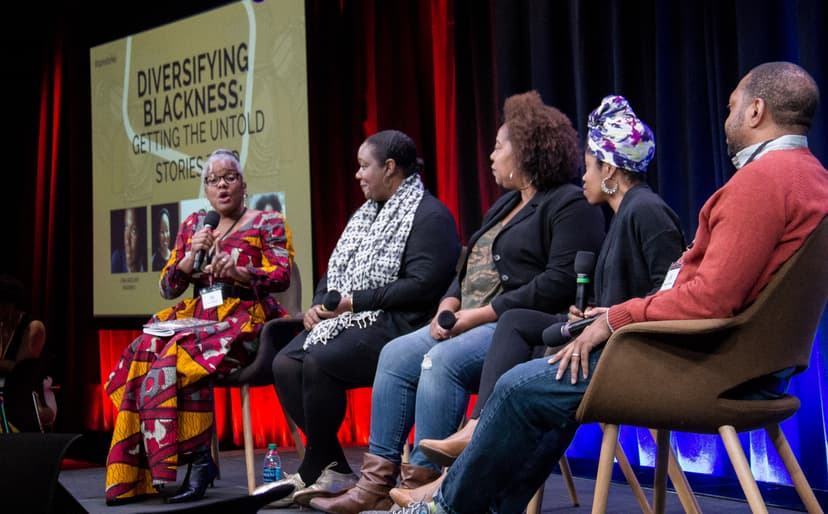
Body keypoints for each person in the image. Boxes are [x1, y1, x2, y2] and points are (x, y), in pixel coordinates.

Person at [387, 61, 828, 514]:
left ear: (756, 110)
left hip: (709, 367)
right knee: (542, 374)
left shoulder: (761, 183)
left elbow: (711, 299)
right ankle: (452, 497)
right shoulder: (812, 178)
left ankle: (445, 506)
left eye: (733, 106)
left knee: (522, 385)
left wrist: (616, 319)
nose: (726, 117)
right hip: (747, 365)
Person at [308, 91, 605, 514]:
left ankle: (427, 486)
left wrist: (476, 315)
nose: (491, 154)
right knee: (395, 354)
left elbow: (557, 282)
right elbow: (463, 267)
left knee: (439, 362)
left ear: (526, 151)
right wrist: (448, 303)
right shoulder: (503, 205)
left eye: (500, 145)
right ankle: (377, 484)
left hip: (518, 328)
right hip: (467, 320)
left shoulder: (567, 204)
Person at [407, 95, 686, 500]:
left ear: (609, 169)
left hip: (632, 349)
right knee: (516, 320)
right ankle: (471, 440)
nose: (583, 176)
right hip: (607, 334)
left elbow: (668, 297)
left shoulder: (646, 211)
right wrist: (590, 312)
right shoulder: (624, 213)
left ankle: (457, 487)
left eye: (589, 166)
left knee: (527, 388)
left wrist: (609, 317)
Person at [255, 130, 461, 508]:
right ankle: (330, 466)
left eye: (364, 166)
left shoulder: (430, 215)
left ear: (390, 168)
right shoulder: (365, 214)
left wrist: (353, 303)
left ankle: (322, 469)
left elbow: (422, 287)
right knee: (285, 362)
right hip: (354, 319)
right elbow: (334, 271)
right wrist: (320, 304)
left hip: (403, 324)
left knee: (321, 361)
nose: (358, 175)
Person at [104, 149, 292, 505]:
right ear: (205, 189)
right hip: (202, 315)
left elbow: (281, 275)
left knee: (183, 351)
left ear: (243, 184)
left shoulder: (267, 221)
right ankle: (138, 471)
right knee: (145, 347)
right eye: (213, 180)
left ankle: (200, 461)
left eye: (230, 177)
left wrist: (241, 272)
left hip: (246, 320)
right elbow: (167, 287)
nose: (222, 185)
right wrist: (189, 260)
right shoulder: (194, 225)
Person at [0, 274, 56, 431]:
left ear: (9, 305)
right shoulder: (2, 326)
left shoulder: (34, 327)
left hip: (29, 397)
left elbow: (20, 369)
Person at [111, 207, 146, 273]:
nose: (127, 241)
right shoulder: (117, 258)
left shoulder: (147, 263)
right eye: (126, 228)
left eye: (133, 231)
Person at [151, 207, 173, 271]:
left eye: (167, 231)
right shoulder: (153, 260)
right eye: (162, 232)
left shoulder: (174, 258)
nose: (165, 236)